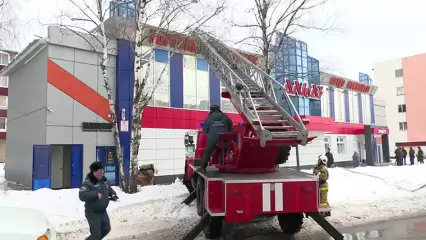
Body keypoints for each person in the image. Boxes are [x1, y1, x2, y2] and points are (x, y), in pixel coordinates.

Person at [79, 161, 119, 240]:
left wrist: (113, 194)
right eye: (100, 173)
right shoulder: (88, 183)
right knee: (96, 234)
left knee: (106, 229)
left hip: (103, 211)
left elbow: (109, 188)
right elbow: (82, 196)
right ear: (94, 172)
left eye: (103, 172)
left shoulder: (103, 180)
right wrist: (95, 194)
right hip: (92, 212)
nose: (102, 174)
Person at [199, 104, 233, 169]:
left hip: (212, 139)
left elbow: (205, 130)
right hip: (224, 139)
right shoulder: (225, 117)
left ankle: (202, 167)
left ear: (211, 109)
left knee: (207, 152)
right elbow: (231, 127)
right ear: (219, 109)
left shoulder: (208, 118)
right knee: (223, 150)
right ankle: (222, 165)